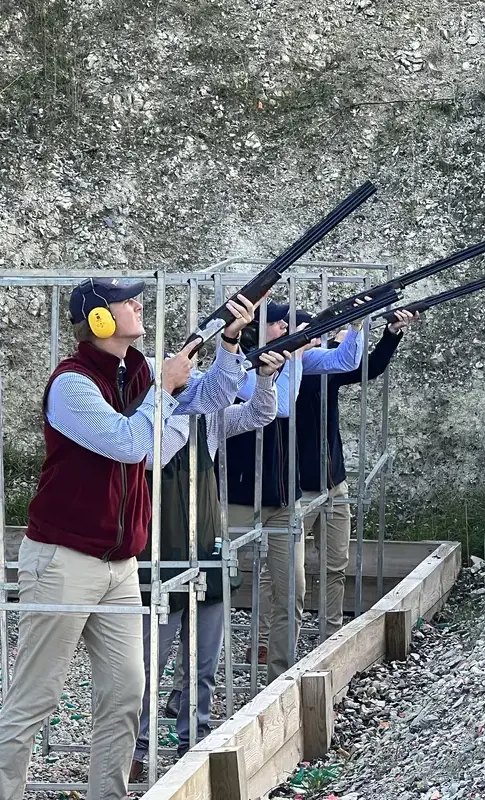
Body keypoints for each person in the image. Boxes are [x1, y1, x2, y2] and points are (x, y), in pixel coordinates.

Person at [0, 277, 258, 800]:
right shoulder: (72, 384)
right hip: (63, 560)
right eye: (127, 301)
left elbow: (205, 401)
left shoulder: (135, 371)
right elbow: (131, 445)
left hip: (120, 564)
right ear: (98, 320)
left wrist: (229, 343)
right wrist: (163, 387)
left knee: (125, 696)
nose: (139, 305)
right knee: (36, 698)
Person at [129, 348, 287, 780]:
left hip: (206, 547)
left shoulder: (209, 417)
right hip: (159, 551)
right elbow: (153, 456)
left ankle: (192, 744)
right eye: (186, 372)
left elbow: (258, 414)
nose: (192, 376)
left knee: (203, 663)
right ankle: (138, 748)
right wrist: (192, 400)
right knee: (147, 664)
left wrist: (268, 377)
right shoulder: (144, 422)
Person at [256, 308, 419, 655]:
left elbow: (367, 367)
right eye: (310, 332)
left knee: (335, 567)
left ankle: (331, 640)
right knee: (282, 575)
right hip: (295, 490)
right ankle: (266, 643)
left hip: (333, 483)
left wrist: (390, 333)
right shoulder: (280, 372)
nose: (318, 339)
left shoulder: (320, 366)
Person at [225, 300, 367, 683]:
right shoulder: (239, 367)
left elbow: (345, 362)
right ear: (257, 330)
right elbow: (281, 405)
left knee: (293, 592)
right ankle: (192, 682)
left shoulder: (294, 360)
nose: (286, 328)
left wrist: (355, 326)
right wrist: (299, 353)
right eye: (278, 324)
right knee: (211, 596)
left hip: (283, 496)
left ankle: (279, 681)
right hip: (237, 496)